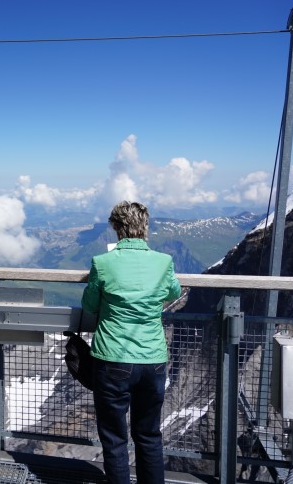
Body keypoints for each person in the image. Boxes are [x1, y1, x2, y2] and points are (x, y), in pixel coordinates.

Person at [81, 201, 181, 484]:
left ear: (116, 228)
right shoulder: (163, 262)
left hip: (113, 359)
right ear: (145, 227)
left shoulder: (103, 263)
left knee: (114, 439)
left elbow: (89, 304)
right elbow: (173, 291)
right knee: (149, 435)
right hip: (153, 361)